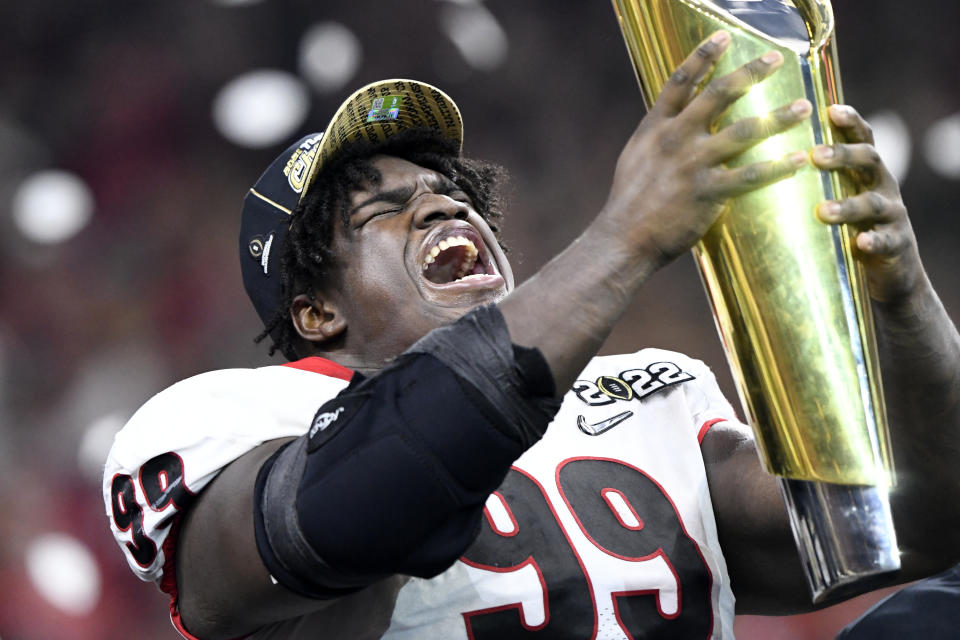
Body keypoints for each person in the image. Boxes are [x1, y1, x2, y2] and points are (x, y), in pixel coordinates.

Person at [103, 32, 960, 639]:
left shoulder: (643, 389)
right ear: (318, 312)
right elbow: (348, 511)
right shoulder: (226, 419)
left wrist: (898, 296)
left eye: (452, 193)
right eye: (383, 211)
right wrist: (626, 237)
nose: (441, 204)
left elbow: (919, 523)